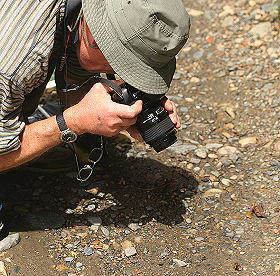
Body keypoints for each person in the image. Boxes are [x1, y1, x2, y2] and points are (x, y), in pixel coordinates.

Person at [0, 0, 190, 243]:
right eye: (125, 66)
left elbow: (75, 70)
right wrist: (72, 123)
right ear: (95, 37)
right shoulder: (15, 63)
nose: (125, 75)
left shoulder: (82, 14)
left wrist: (122, 101)